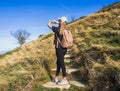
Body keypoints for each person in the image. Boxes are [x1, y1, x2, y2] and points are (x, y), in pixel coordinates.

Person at [47, 16, 69, 85]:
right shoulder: (66, 29)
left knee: (61, 63)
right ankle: (56, 77)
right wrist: (58, 22)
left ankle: (64, 78)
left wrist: (51, 21)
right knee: (58, 63)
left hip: (59, 48)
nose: (58, 21)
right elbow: (63, 25)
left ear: (61, 22)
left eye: (59, 20)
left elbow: (48, 25)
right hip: (65, 48)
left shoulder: (58, 29)